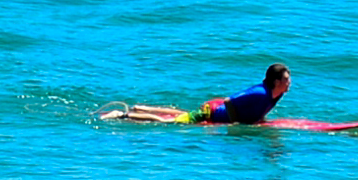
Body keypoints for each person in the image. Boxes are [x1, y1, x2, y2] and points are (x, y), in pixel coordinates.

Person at [106, 63, 290, 124]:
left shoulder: (276, 94)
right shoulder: (259, 93)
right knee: (170, 121)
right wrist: (235, 123)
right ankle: (123, 115)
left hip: (213, 111)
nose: (289, 82)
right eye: (286, 79)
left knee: (180, 113)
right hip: (211, 114)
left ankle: (141, 107)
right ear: (276, 82)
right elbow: (229, 100)